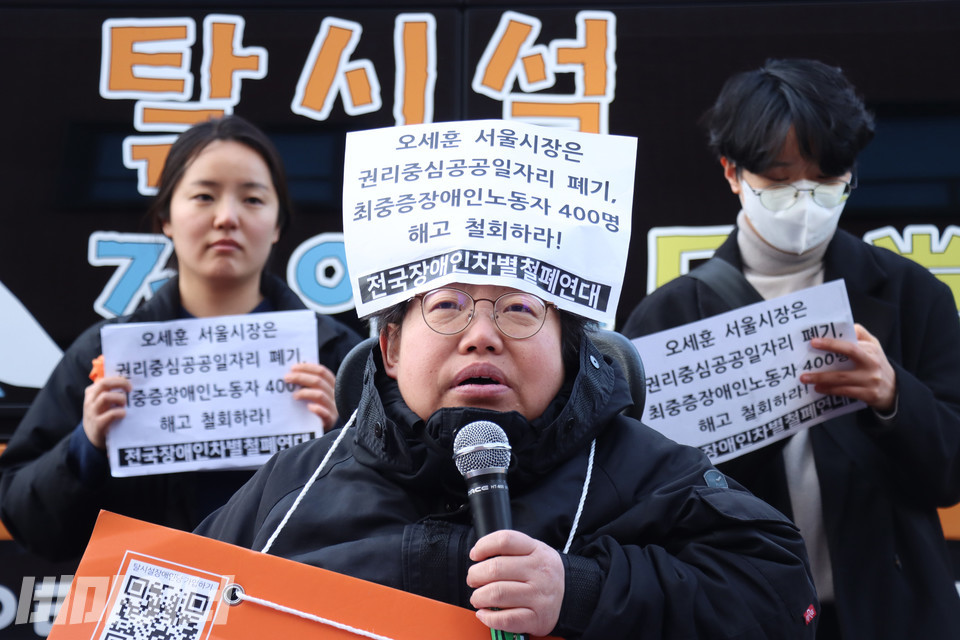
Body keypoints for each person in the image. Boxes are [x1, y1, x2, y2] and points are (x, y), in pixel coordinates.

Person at [196, 276, 820, 638]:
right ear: (388, 348)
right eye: (446, 307)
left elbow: (785, 600)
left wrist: (582, 591)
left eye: (519, 309)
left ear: (571, 344)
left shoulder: (644, 471)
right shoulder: (294, 487)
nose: (481, 335)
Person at [620, 58, 960, 639]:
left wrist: (894, 398)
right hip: (741, 615)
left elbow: (949, 473)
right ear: (733, 172)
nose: (805, 205)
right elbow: (639, 498)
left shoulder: (910, 294)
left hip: (891, 611)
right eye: (779, 183)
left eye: (827, 182)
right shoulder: (670, 317)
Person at [0, 115, 362, 562]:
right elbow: (27, 518)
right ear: (165, 218)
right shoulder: (106, 355)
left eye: (252, 199)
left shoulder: (341, 358)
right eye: (204, 196)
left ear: (277, 225)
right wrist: (87, 444)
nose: (226, 217)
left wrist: (343, 441)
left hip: (289, 610)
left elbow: (392, 515)